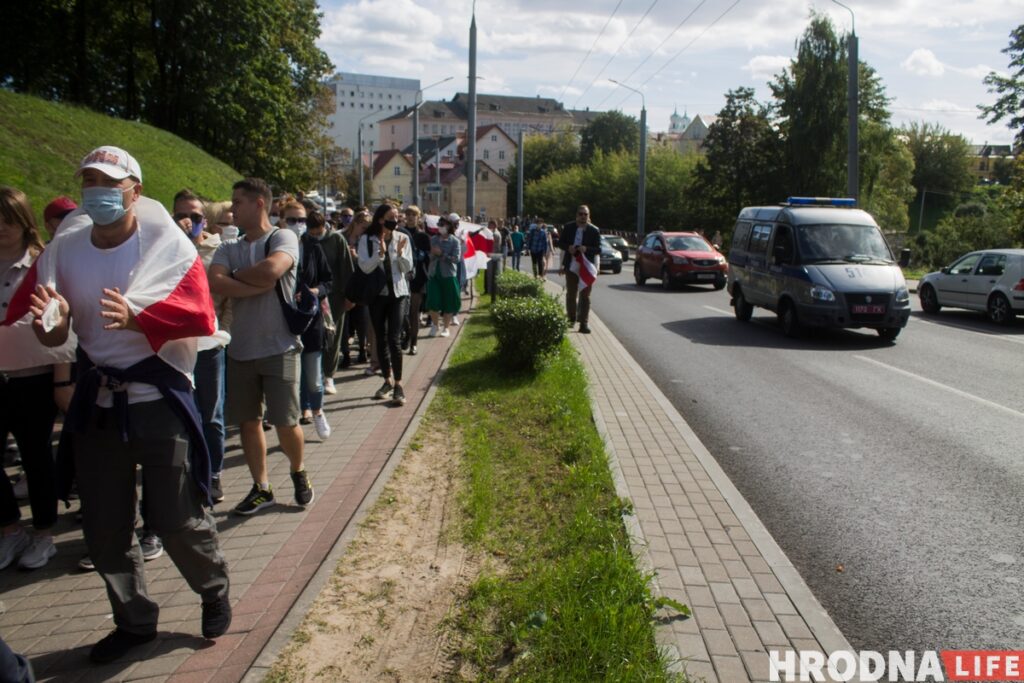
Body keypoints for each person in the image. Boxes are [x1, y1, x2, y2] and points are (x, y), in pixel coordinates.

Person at [26, 146, 231, 662]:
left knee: (176, 515)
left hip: (157, 397)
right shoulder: (65, 250)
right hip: (99, 400)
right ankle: (134, 621)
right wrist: (50, 327)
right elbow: (56, 334)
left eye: (109, 182)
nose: (98, 190)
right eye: (89, 180)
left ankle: (213, 588)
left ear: (134, 190)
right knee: (105, 525)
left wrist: (141, 320)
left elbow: (199, 314)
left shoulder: (167, 245)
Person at [208, 178, 313, 516]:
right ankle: (261, 487)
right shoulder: (228, 246)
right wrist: (255, 282)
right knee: (249, 422)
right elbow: (216, 282)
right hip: (239, 348)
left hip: (279, 346)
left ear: (259, 204)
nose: (231, 209)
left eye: (237, 202)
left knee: (286, 422)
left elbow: (273, 269)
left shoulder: (282, 237)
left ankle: (298, 471)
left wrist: (238, 279)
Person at [0, 187, 75, 571]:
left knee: (36, 456)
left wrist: (62, 380)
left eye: (8, 218)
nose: (2, 228)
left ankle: (44, 533)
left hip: (34, 376)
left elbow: (64, 323)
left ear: (24, 220)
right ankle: (11, 529)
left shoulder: (43, 263)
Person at [173, 189, 230, 503]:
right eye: (181, 215)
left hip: (209, 343)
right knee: (181, 415)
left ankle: (213, 473)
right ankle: (186, 472)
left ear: (204, 220)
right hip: (175, 345)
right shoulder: (162, 247)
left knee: (211, 415)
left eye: (195, 217)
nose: (188, 222)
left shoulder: (216, 249)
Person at [282, 204, 333, 440]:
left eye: (301, 219)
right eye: (291, 219)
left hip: (311, 320)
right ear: (281, 220)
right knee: (289, 379)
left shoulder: (313, 247)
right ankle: (292, 424)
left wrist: (315, 290)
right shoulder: (273, 246)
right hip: (283, 321)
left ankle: (318, 412)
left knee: (313, 376)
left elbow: (327, 281)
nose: (297, 224)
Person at [358, 204, 412, 406]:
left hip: (398, 294)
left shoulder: (402, 238)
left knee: (394, 339)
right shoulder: (367, 239)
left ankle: (399, 384)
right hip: (377, 295)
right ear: (381, 219)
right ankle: (387, 381)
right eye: (391, 217)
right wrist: (379, 255)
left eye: (397, 216)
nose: (395, 220)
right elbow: (364, 267)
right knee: (380, 339)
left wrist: (397, 254)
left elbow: (408, 267)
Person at [315, 207, 353, 393]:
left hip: (335, 296)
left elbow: (347, 268)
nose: (314, 235)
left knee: (333, 334)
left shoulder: (337, 240)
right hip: (312, 296)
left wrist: (350, 295)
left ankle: (328, 375)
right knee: (315, 336)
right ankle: (315, 374)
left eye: (318, 230)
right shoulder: (304, 240)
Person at [559, 204, 601, 334]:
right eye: (581, 214)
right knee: (571, 294)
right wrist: (569, 247)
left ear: (589, 216)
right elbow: (560, 243)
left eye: (585, 214)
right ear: (576, 215)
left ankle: (584, 323)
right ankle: (571, 318)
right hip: (571, 266)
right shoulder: (568, 227)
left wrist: (586, 249)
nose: (583, 217)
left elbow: (599, 249)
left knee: (585, 296)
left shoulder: (594, 230)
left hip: (586, 267)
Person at [426, 216, 461, 338]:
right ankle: (435, 325)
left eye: (443, 224)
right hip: (434, 274)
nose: (441, 226)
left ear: (449, 227)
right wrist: (431, 254)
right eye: (439, 224)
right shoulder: (434, 239)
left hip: (448, 275)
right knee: (432, 301)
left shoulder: (454, 241)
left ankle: (446, 328)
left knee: (449, 302)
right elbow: (430, 255)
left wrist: (442, 254)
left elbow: (456, 259)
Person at [404, 205, 430, 356]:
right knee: (403, 314)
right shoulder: (401, 233)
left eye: (413, 215)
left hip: (418, 278)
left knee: (414, 312)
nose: (410, 218)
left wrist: (421, 255)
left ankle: (414, 343)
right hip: (402, 278)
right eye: (408, 215)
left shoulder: (423, 236)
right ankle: (407, 336)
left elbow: (428, 258)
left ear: (418, 217)